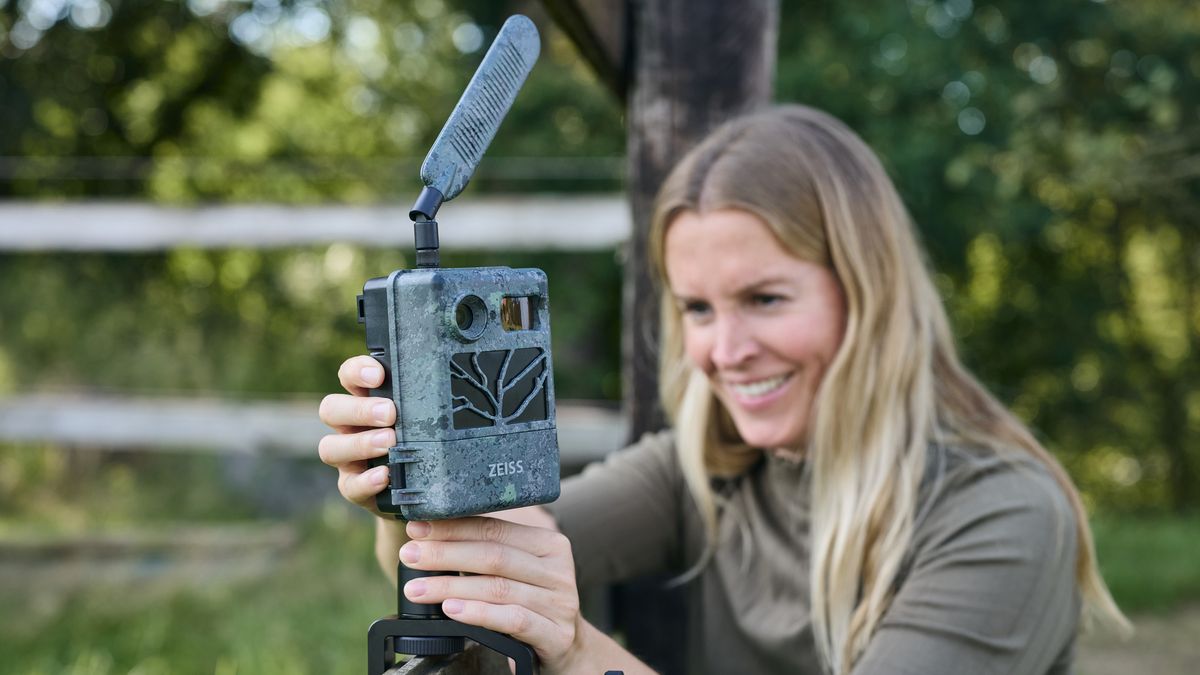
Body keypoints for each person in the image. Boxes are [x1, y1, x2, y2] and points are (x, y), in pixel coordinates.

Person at [318, 105, 1129, 674]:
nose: (726, 350)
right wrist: (410, 482)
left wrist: (576, 651)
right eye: (698, 308)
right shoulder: (701, 469)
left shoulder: (1002, 513)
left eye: (765, 299)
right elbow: (507, 546)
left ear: (870, 292)